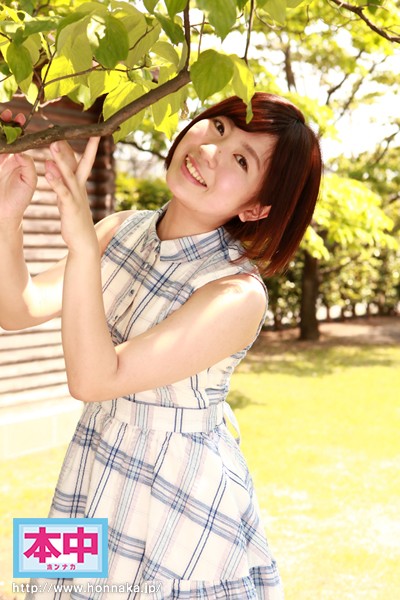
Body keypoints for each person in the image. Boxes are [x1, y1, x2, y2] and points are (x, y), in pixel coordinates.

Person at [0, 92, 322, 599]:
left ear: (257, 208)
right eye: (218, 127)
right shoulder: (121, 228)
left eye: (241, 160)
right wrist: (8, 216)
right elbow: (18, 308)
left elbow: (94, 380)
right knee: (51, 587)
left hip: (180, 499)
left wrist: (82, 244)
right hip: (92, 459)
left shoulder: (237, 293)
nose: (210, 151)